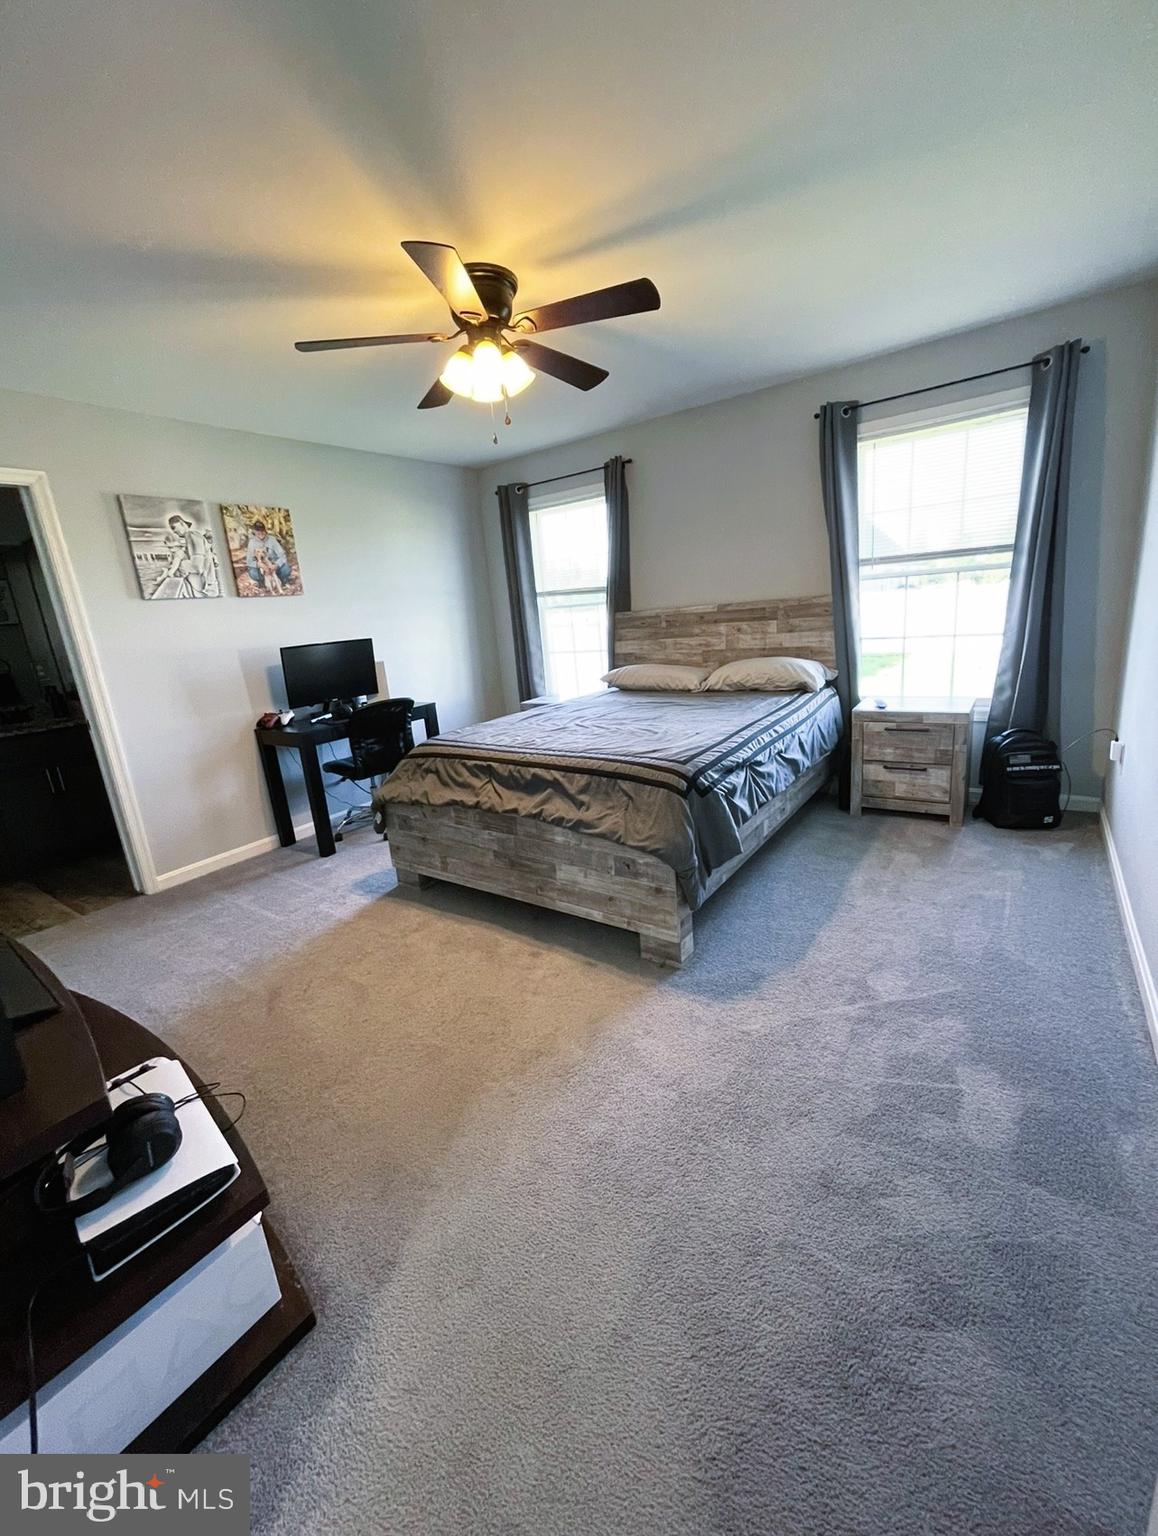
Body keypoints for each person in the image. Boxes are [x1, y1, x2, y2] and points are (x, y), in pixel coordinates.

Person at [154, 513, 219, 598]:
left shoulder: (192, 535)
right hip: (202, 590)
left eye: (173, 527)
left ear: (182, 523)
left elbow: (197, 567)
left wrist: (179, 566)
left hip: (204, 592)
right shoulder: (191, 537)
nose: (173, 531)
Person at [245, 519, 293, 590]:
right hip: (262, 568)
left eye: (262, 530)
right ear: (254, 531)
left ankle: (282, 581)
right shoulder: (252, 542)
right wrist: (260, 565)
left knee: (286, 568)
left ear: (265, 530)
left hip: (273, 566)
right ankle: (263, 583)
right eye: (258, 531)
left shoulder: (272, 539)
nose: (260, 532)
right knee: (253, 572)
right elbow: (249, 561)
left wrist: (276, 565)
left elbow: (282, 556)